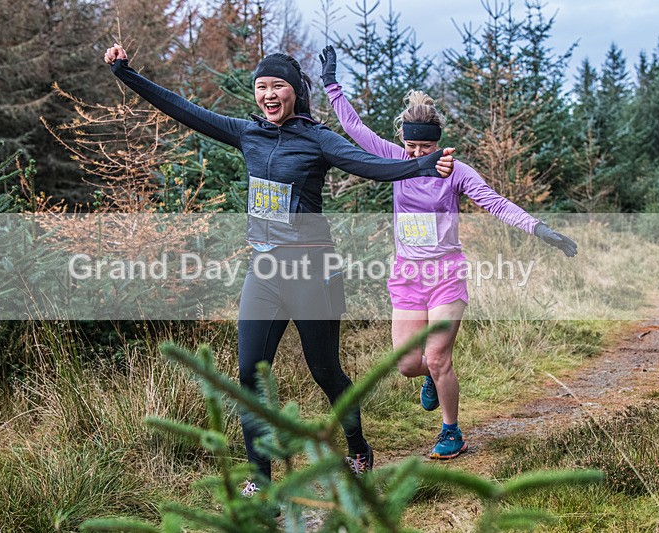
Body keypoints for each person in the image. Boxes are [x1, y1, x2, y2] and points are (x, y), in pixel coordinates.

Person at [104, 44, 456, 492]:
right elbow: (182, 108)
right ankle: (261, 482)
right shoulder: (246, 133)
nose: (268, 95)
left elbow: (369, 165)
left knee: (325, 369)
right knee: (249, 374)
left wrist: (424, 164)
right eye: (261, 87)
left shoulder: (317, 139)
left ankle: (358, 446)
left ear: (295, 93)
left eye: (277, 87)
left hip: (313, 269)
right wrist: (125, 74)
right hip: (264, 269)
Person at [319, 45, 577, 460]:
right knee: (408, 363)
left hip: (446, 276)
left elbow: (495, 203)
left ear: (437, 145)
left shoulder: (456, 171)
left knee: (438, 356)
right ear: (403, 140)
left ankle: (451, 430)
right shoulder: (393, 157)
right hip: (407, 276)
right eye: (411, 147)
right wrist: (332, 84)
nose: (417, 156)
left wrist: (540, 228)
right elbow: (353, 126)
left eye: (424, 149)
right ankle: (432, 379)